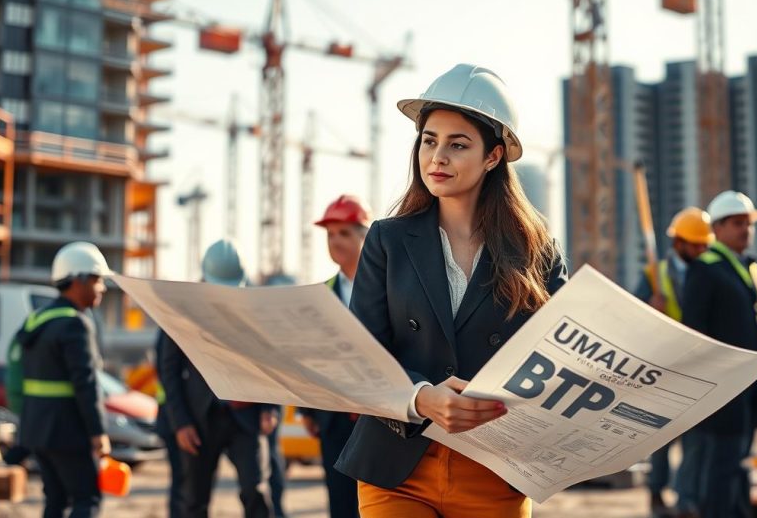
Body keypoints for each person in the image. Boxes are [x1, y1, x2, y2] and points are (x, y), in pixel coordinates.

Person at [334, 63, 568, 518]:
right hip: (396, 466)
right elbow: (361, 355)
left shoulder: (537, 252)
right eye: (429, 140)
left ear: (493, 157)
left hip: (493, 471)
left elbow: (564, 358)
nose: (437, 157)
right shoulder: (387, 240)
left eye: (457, 144)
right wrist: (420, 397)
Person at [159, 239, 277, 518]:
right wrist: (181, 423)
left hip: (245, 418)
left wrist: (271, 408)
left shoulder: (255, 310)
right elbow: (169, 369)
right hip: (200, 420)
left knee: (256, 491)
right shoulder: (182, 311)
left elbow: (272, 362)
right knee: (194, 501)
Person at [680, 191, 757, 518]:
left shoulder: (744, 268)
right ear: (717, 229)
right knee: (722, 468)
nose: (745, 230)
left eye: (748, 224)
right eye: (737, 223)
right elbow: (694, 331)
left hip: (748, 387)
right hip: (723, 389)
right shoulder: (706, 269)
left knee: (740, 464)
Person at [13, 242, 111, 518]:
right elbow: (86, 382)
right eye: (98, 279)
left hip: (37, 430)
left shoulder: (38, 319)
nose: (102, 287)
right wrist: (98, 432)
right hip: (67, 431)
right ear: (79, 280)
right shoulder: (75, 324)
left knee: (55, 501)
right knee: (87, 499)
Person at [633, 207, 712, 518]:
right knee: (661, 438)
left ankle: (686, 499)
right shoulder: (654, 275)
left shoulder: (706, 273)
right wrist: (650, 309)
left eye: (705, 244)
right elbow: (633, 318)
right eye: (697, 244)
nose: (702, 250)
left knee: (695, 439)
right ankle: (656, 492)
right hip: (662, 370)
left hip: (694, 369)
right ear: (679, 243)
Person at [299, 195, 371, 518]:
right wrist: (309, 412)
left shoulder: (389, 289)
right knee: (340, 503)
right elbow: (309, 354)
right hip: (334, 419)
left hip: (378, 416)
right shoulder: (322, 295)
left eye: (343, 233)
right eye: (330, 235)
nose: (335, 241)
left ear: (364, 236)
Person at [154, 330, 185, 518]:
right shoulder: (169, 329)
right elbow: (167, 371)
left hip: (173, 418)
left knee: (182, 481)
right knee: (183, 482)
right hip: (175, 420)